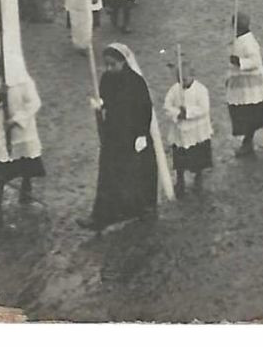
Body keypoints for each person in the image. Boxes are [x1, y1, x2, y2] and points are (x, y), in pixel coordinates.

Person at [81, 43, 167, 231]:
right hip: (114, 134)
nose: (109, 68)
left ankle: (142, 207)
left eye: (113, 64)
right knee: (109, 174)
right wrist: (99, 105)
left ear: (123, 62)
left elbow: (145, 109)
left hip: (134, 136)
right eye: (107, 65)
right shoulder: (106, 79)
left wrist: (142, 135)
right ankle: (101, 216)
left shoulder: (136, 82)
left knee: (135, 173)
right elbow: (104, 101)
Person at [0, 60, 44, 232]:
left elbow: (35, 103)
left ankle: (26, 189)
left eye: (2, 65)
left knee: (26, 160)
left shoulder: (22, 79)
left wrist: (17, 119)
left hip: (21, 130)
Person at [162, 63, 213, 196]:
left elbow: (204, 109)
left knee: (198, 156)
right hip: (180, 131)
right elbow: (167, 106)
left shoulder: (201, 90)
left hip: (196, 131)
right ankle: (180, 180)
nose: (181, 82)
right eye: (178, 79)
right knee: (179, 158)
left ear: (192, 76)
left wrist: (188, 112)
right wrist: (177, 113)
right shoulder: (174, 90)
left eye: (184, 79)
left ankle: (198, 177)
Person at [226, 12, 263, 156]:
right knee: (243, 116)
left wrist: (239, 62)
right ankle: (247, 142)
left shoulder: (249, 42)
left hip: (251, 90)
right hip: (241, 88)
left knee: (249, 116)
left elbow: (255, 62)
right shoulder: (239, 40)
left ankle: (248, 142)